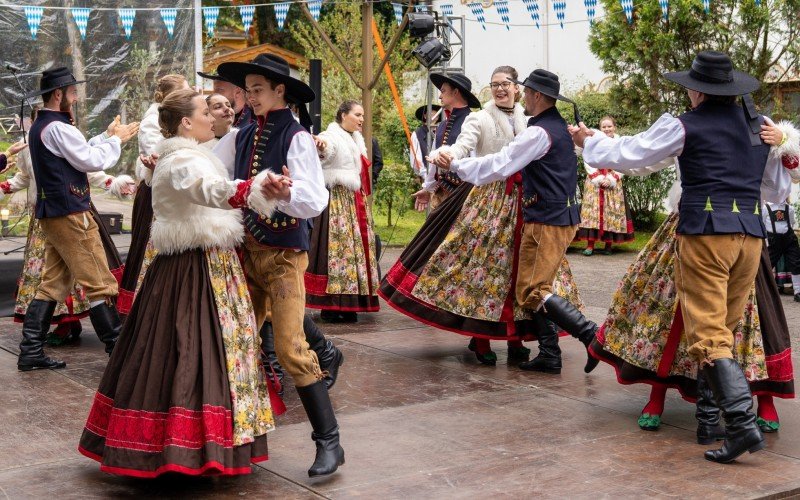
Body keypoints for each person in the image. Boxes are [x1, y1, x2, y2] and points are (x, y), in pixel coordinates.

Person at [572, 51, 797, 463]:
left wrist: (591, 142)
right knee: (723, 333)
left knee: (708, 335)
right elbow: (777, 192)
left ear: (696, 90)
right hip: (750, 237)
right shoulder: (761, 129)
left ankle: (742, 427)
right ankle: (714, 421)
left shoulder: (683, 125)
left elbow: (631, 155)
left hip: (704, 237)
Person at [79, 89, 280, 477]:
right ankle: (184, 447)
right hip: (193, 267)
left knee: (184, 348)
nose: (213, 116)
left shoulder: (187, 156)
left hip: (200, 261)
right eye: (206, 111)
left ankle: (184, 443)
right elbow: (208, 190)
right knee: (191, 347)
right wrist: (254, 189)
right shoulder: (183, 160)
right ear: (186, 122)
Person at [380, 65, 583, 367]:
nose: (501, 89)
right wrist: (447, 156)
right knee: (484, 271)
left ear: (519, 89)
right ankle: (483, 337)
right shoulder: (480, 117)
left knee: (525, 273)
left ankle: (520, 341)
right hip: (490, 200)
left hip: (528, 201)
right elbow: (463, 146)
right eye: (494, 84)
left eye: (507, 84)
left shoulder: (531, 121)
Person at [214, 53, 343, 477]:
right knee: (238, 343)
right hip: (246, 252)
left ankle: (330, 443)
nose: (249, 97)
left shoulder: (297, 136)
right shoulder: (241, 134)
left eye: (257, 90)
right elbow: (212, 169)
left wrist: (284, 192)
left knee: (289, 348)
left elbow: (315, 200)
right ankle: (240, 434)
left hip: (285, 255)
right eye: (246, 90)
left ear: (279, 91)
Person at [437, 69, 599, 375]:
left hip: (545, 218)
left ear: (537, 96)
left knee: (532, 291)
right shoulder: (556, 128)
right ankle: (551, 353)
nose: (521, 95)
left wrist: (456, 164)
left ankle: (591, 336)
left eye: (524, 91)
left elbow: (500, 164)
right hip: (560, 215)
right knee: (539, 287)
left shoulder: (539, 132)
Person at [17, 67, 138, 371]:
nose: (75, 97)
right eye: (72, 92)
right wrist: (117, 141)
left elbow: (77, 150)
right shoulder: (58, 127)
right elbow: (90, 160)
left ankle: (30, 351)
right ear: (58, 94)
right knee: (98, 281)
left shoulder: (45, 125)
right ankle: (118, 351)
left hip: (54, 213)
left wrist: (107, 136)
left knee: (53, 283)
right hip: (70, 214)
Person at [2, 107, 135, 345]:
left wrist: (111, 180)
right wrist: (6, 184)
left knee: (57, 280)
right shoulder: (36, 141)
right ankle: (115, 347)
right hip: (60, 214)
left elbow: (85, 165)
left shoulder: (59, 134)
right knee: (93, 280)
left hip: (63, 211)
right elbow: (27, 176)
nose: (71, 111)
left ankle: (33, 349)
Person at [118, 74, 189, 316]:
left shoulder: (177, 116)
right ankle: (144, 305)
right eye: (185, 91)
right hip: (154, 189)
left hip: (171, 187)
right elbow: (154, 153)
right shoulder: (152, 119)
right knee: (149, 248)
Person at [306, 100, 380, 323]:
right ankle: (331, 304)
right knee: (337, 250)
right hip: (337, 200)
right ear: (343, 115)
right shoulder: (332, 134)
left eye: (362, 115)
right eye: (357, 114)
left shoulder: (355, 138)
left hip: (353, 199)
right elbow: (326, 147)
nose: (361, 119)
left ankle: (348, 303)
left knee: (353, 251)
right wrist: (320, 146)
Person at [412, 72, 481, 211]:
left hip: (465, 196)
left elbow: (477, 158)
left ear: (456, 92)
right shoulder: (443, 125)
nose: (440, 96)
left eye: (443, 91)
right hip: (442, 193)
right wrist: (427, 188)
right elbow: (434, 163)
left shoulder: (473, 120)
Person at [575, 116, 634, 255]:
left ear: (615, 127)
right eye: (604, 127)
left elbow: (623, 163)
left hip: (612, 184)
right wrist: (598, 177)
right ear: (600, 128)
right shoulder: (593, 141)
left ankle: (608, 245)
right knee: (592, 214)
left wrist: (612, 178)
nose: (607, 129)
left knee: (611, 213)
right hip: (595, 183)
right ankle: (590, 245)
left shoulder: (620, 143)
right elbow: (587, 159)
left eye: (609, 126)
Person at [763, 199, 800, 301]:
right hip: (774, 240)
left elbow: (791, 222)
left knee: (796, 263)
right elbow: (762, 223)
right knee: (767, 264)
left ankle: (798, 292)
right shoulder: (766, 207)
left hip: (789, 239)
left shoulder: (789, 208)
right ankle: (764, 291)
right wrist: (766, 240)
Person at [409, 104, 441, 182]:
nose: (434, 116)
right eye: (431, 114)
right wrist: (425, 176)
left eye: (436, 114)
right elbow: (416, 157)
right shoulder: (417, 133)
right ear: (425, 116)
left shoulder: (441, 131)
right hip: (426, 176)